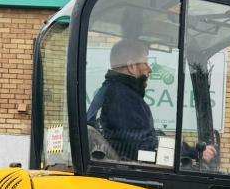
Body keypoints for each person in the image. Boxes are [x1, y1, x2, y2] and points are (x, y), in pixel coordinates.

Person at [87, 39, 217, 165]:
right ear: (132, 66)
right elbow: (145, 147)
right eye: (145, 63)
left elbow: (143, 137)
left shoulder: (112, 91)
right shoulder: (121, 97)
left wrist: (184, 149)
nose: (150, 70)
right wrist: (192, 152)